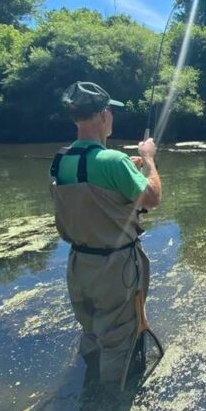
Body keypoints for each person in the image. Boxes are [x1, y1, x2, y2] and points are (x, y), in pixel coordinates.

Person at [49, 81, 162, 390]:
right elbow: (152, 198)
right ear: (102, 115)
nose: (111, 117)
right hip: (115, 269)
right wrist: (148, 159)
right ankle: (110, 403)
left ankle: (87, 380)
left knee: (91, 330)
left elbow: (89, 195)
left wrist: (128, 166)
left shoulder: (61, 160)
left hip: (78, 265)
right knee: (118, 341)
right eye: (110, 112)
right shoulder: (114, 162)